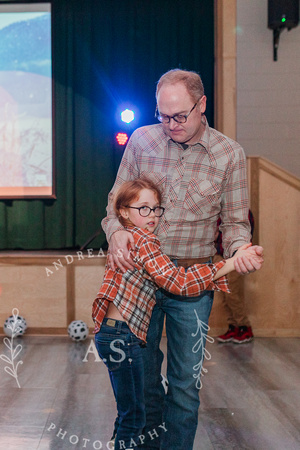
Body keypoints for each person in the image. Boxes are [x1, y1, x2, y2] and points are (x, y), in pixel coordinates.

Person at [101, 69, 264, 450]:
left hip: (193, 284)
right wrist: (118, 231)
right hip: (139, 278)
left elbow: (236, 224)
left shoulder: (229, 155)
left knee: (185, 389)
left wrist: (241, 250)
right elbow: (113, 207)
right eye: (163, 115)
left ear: (202, 104)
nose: (170, 124)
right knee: (141, 384)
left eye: (180, 116)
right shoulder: (142, 141)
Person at [93, 178, 263, 450]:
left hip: (111, 333)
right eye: (143, 208)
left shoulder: (127, 238)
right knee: (133, 417)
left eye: (156, 208)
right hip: (123, 338)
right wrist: (229, 263)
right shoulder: (143, 241)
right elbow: (179, 283)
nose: (152, 215)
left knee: (131, 409)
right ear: (123, 211)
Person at [215, 210, 255, 344]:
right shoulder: (217, 211)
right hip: (219, 256)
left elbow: (245, 233)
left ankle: (244, 327)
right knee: (224, 294)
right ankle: (233, 326)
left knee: (233, 294)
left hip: (235, 257)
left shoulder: (242, 212)